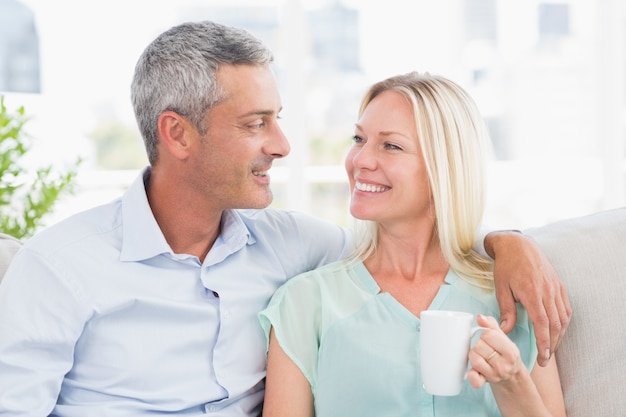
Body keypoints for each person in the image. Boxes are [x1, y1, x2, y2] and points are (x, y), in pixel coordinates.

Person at [0, 21, 569, 416]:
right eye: (255, 123)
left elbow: (411, 246)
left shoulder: (293, 245)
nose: (284, 144)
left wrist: (509, 242)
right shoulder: (60, 268)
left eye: (278, 118)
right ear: (177, 133)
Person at [259, 72, 566, 417]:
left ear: (443, 169)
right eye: (359, 138)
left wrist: (512, 382)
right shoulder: (305, 303)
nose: (360, 160)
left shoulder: (514, 293)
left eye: (390, 145)